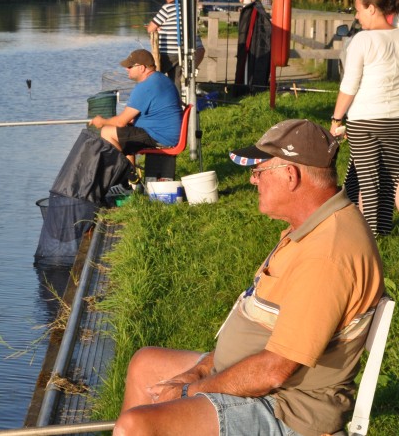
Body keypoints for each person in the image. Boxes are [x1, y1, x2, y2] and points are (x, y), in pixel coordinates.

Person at [112, 119, 385, 436]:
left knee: (137, 426)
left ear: (290, 175)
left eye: (259, 171)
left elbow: (274, 371)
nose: (253, 181)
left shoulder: (327, 255)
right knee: (146, 365)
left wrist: (191, 390)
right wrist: (201, 369)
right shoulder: (311, 228)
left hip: (288, 409)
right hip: (260, 379)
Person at [329, 0, 399, 237]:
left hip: (365, 121)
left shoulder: (362, 40)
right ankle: (383, 232)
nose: (356, 16)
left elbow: (349, 85)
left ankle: (371, 239)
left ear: (371, 8)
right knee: (389, 179)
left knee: (369, 182)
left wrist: (336, 118)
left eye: (358, 10)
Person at [89, 49, 183, 161]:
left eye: (130, 67)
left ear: (142, 68)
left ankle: (129, 175)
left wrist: (102, 122)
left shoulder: (145, 86)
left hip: (160, 135)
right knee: (124, 134)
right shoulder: (160, 78)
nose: (126, 69)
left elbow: (120, 122)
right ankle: (131, 176)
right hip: (167, 133)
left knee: (107, 132)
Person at [147, 0, 205, 88]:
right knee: (175, 80)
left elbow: (150, 29)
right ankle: (176, 100)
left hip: (167, 53)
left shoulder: (166, 8)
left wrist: (158, 28)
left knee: (151, 76)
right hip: (181, 53)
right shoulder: (185, 9)